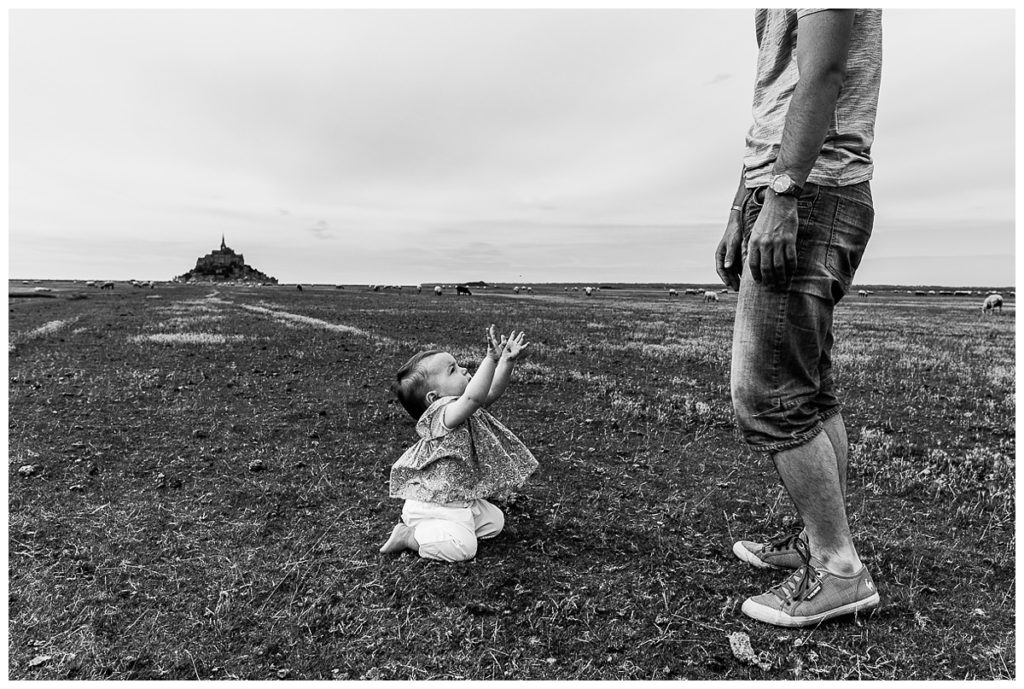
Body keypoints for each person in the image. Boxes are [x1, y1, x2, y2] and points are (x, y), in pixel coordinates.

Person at [715, 9, 882, 627]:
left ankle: (840, 569)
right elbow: (772, 103)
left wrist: (784, 192)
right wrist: (743, 205)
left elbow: (825, 72)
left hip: (814, 184)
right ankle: (824, 544)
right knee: (809, 386)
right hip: (789, 183)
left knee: (767, 394)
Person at [380, 326, 537, 562]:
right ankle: (410, 536)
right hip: (435, 502)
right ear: (433, 398)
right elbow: (474, 397)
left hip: (455, 497)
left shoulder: (461, 407)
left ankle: (449, 528)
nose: (463, 369)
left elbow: (490, 392)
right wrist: (490, 359)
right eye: (452, 370)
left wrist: (506, 361)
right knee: (465, 549)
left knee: (496, 522)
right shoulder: (443, 415)